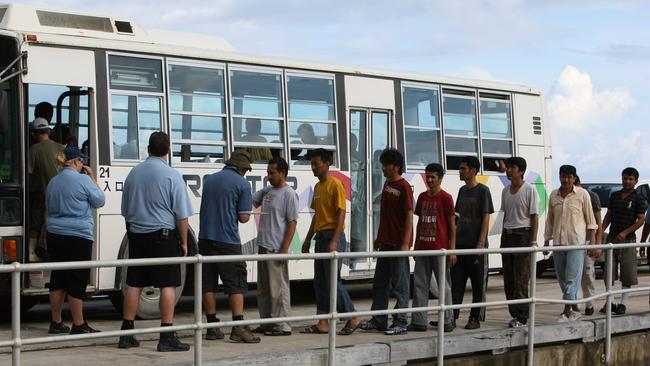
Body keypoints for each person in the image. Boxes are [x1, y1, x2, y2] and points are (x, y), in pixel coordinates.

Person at [119, 131, 193, 352]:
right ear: (168, 149)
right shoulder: (172, 175)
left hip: (137, 235)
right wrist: (184, 242)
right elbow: (182, 215)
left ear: (148, 148)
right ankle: (166, 335)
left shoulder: (134, 173)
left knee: (135, 284)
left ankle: (126, 334)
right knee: (167, 284)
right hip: (162, 237)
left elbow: (125, 210)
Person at [199, 150, 260, 343]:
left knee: (208, 283)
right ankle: (238, 326)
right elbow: (243, 218)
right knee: (235, 284)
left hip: (205, 238)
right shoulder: (242, 184)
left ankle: (211, 326)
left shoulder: (210, 180)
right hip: (227, 241)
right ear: (243, 168)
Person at [300, 148, 361, 335]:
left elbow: (341, 212)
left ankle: (353, 316)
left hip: (332, 238)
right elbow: (317, 214)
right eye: (311, 164)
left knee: (333, 281)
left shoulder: (336, 184)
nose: (313, 167)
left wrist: (335, 240)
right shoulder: (318, 187)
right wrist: (308, 238)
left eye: (316, 164)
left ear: (327, 164)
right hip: (320, 238)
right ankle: (323, 322)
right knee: (320, 282)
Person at [46, 146, 105, 334]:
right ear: (77, 161)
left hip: (54, 234)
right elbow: (100, 200)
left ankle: (56, 322)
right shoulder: (83, 180)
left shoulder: (53, 182)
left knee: (58, 278)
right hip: (78, 236)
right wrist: (92, 176)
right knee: (76, 279)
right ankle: (79, 324)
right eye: (83, 161)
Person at [359, 148, 413, 336]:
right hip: (386, 242)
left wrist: (406, 243)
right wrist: (379, 237)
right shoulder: (387, 185)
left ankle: (401, 322)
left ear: (396, 167)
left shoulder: (404, 187)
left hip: (398, 244)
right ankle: (379, 319)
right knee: (380, 283)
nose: (382, 168)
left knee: (400, 285)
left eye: (386, 165)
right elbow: (385, 216)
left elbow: (408, 215)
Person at [251, 157, 299, 336]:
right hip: (263, 245)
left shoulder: (289, 194)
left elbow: (292, 222)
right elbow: (251, 201)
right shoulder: (267, 191)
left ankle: (282, 325)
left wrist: (284, 248)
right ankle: (267, 323)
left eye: (272, 173)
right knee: (264, 289)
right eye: (267, 172)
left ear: (283, 173)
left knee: (278, 288)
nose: (269, 176)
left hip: (276, 247)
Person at [543, 165, 596, 322]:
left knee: (572, 277)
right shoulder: (554, 195)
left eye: (569, 177)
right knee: (562, 277)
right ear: (559, 176)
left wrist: (592, 241)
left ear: (574, 178)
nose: (566, 179)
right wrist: (546, 240)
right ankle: (574, 307)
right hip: (559, 243)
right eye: (563, 176)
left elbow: (591, 220)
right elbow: (550, 220)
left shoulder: (582, 194)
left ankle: (567, 310)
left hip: (576, 243)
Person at [409, 163, 456, 333]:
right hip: (423, 247)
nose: (429, 180)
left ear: (440, 178)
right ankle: (419, 321)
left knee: (443, 285)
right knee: (420, 285)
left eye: (433, 177)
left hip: (440, 248)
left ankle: (448, 319)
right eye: (427, 176)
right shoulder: (422, 197)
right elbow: (420, 221)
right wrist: (416, 245)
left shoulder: (446, 198)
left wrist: (451, 249)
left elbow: (452, 225)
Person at [449, 156, 494, 330]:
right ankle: (451, 317)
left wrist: (481, 243)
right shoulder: (461, 191)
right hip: (461, 244)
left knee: (477, 285)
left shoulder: (483, 191)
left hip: (476, 246)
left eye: (463, 168)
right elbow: (456, 217)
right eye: (460, 169)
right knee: (457, 284)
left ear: (473, 170)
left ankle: (474, 318)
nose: (460, 171)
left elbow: (485, 217)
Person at [600, 167, 647, 315]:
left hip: (628, 240)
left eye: (630, 179)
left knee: (627, 273)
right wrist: (601, 230)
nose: (627, 181)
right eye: (625, 178)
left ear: (636, 181)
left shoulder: (639, 198)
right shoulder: (614, 196)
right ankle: (611, 301)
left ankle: (623, 303)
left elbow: (641, 220)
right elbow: (609, 215)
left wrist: (626, 232)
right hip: (612, 239)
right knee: (609, 271)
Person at [500, 156, 538, 328]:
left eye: (512, 168)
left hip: (523, 235)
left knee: (521, 278)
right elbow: (504, 215)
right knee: (508, 278)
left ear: (521, 171)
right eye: (508, 167)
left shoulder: (529, 189)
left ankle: (522, 317)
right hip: (507, 235)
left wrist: (533, 240)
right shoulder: (505, 191)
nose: (508, 170)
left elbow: (534, 216)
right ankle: (514, 314)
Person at [28, 114, 65, 259]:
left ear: (33, 133)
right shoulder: (62, 148)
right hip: (62, 194)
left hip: (43, 193)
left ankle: (32, 252)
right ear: (48, 131)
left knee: (37, 220)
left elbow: (28, 173)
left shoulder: (34, 150)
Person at [575, 175, 603, 315]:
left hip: (588, 240)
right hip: (573, 241)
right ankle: (574, 304)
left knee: (588, 273)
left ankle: (590, 303)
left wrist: (598, 243)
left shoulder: (591, 196)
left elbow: (598, 221)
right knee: (573, 274)